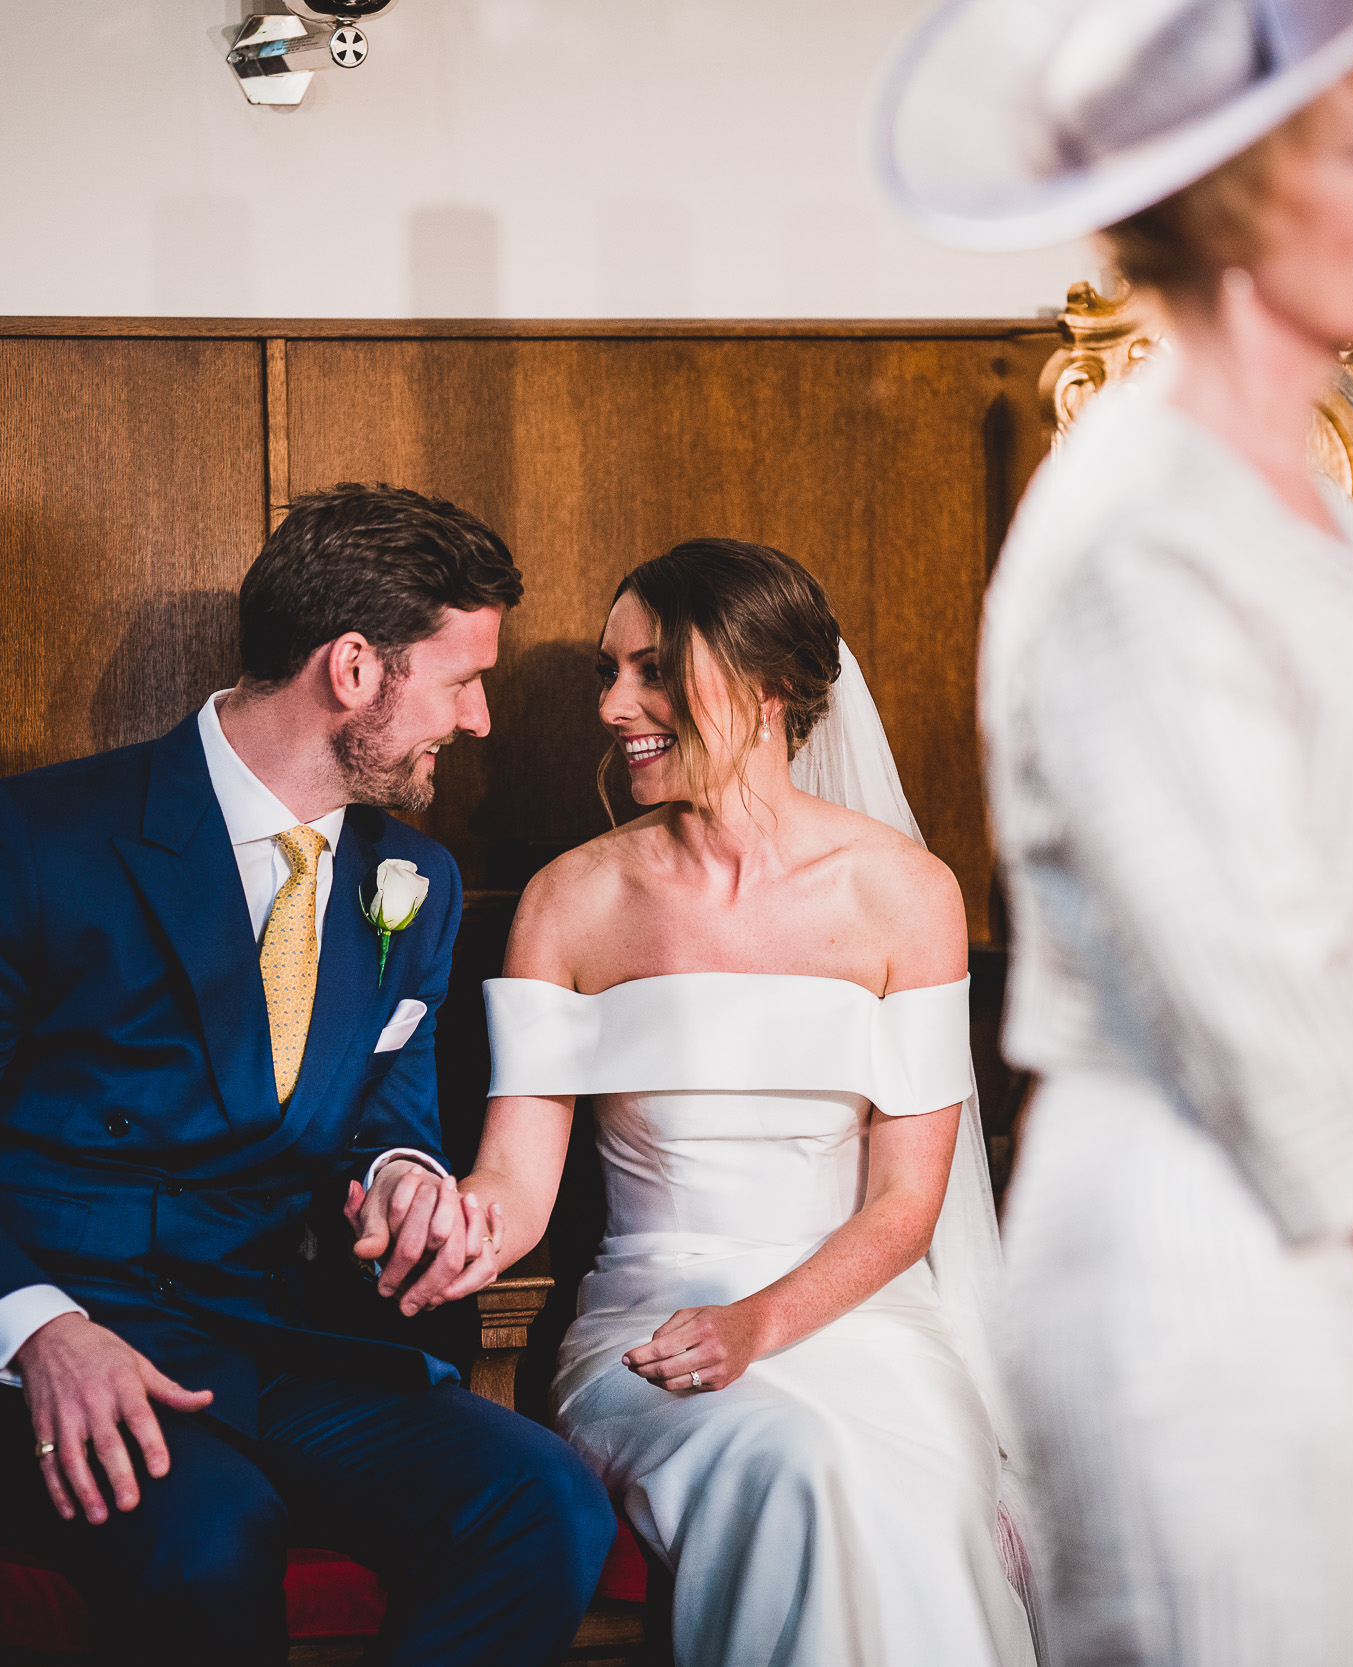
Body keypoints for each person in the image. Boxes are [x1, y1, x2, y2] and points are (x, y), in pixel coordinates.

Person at [876, 2, 1353, 1662]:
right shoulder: (1130, 529)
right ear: (1239, 201)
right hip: (1199, 1277)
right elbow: (1243, 988)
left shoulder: (1314, 501)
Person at [0, 482, 616, 1664]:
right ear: (353, 668)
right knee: (214, 1532)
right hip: (60, 1339)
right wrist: (44, 1328)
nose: (483, 718)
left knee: (547, 1501)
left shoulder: (415, 882)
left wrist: (402, 1176)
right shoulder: (37, 840)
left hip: (279, 1338)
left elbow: (382, 1116)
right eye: (460, 679)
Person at [454, 538, 1036, 1667]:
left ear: (769, 685)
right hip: (647, 1327)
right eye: (610, 671)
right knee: (801, 1462)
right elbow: (513, 1184)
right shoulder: (569, 900)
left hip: (864, 1314)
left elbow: (906, 1203)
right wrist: (440, 1213)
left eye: (654, 668)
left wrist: (758, 1323)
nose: (618, 702)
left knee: (899, 1478)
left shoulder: (904, 895)